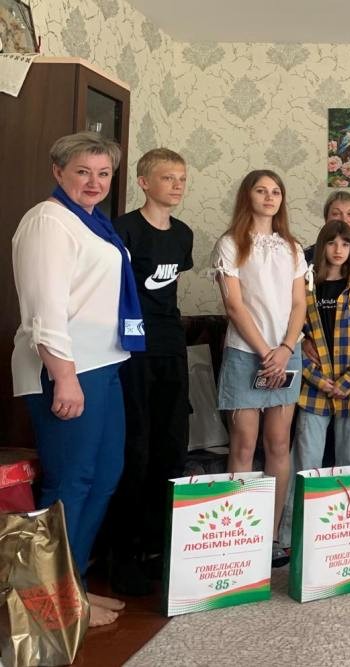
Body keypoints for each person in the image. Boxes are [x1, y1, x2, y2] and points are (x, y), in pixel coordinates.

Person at [11, 132, 139, 626]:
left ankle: (73, 589)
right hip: (66, 368)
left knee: (102, 478)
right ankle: (47, 606)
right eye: (83, 171)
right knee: (70, 482)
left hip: (103, 364)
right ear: (58, 171)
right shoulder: (48, 221)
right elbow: (44, 307)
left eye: (103, 173)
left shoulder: (94, 224)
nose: (94, 182)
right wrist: (63, 375)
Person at [106, 148, 194, 596]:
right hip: (133, 350)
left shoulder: (183, 234)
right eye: (167, 178)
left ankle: (162, 547)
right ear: (144, 182)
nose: (176, 185)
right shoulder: (124, 229)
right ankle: (124, 553)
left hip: (170, 347)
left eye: (181, 178)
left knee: (171, 447)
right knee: (135, 449)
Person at [210, 170, 306, 569]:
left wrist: (285, 349)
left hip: (286, 353)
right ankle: (240, 536)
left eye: (276, 191)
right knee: (244, 446)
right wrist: (267, 351)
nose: (269, 197)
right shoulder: (231, 243)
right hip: (246, 352)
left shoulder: (293, 247)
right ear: (246, 195)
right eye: (261, 190)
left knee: (279, 445)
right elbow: (234, 305)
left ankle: (270, 536)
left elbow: (299, 304)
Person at [278, 220, 350, 547]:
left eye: (345, 244)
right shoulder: (304, 287)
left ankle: (344, 538)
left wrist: (348, 381)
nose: (338, 250)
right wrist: (317, 378)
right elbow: (292, 334)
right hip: (314, 389)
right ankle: (291, 537)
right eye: (332, 243)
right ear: (321, 246)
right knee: (304, 463)